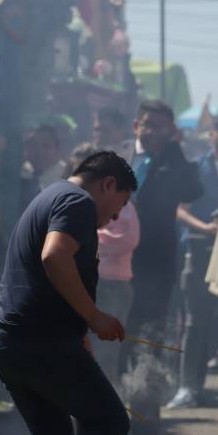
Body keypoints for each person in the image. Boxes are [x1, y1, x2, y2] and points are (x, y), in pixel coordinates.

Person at [0, 151, 136, 435]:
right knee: (110, 421)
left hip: (8, 339)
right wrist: (94, 315)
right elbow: (54, 257)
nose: (114, 217)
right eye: (119, 204)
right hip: (38, 340)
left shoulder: (48, 195)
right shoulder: (77, 203)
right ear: (107, 184)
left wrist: (80, 331)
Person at [120, 100, 203, 435]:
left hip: (155, 265)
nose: (153, 131)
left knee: (149, 336)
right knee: (115, 334)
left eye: (161, 126)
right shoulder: (119, 155)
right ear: (136, 126)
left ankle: (145, 414)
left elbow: (193, 190)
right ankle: (112, 408)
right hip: (113, 262)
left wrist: (177, 153)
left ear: (171, 131)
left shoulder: (174, 160)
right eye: (148, 124)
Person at [169, 111, 218, 409]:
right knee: (195, 321)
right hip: (200, 249)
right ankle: (189, 387)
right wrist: (207, 228)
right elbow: (180, 209)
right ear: (210, 135)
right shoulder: (196, 168)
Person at [64, 144, 139, 391]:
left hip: (111, 286)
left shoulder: (120, 201)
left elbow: (127, 238)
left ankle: (107, 416)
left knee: (105, 355)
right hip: (78, 284)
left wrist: (84, 240)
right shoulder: (71, 199)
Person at [20, 125, 66, 212]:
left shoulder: (66, 177)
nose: (39, 151)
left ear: (58, 150)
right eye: (33, 145)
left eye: (46, 146)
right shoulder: (21, 174)